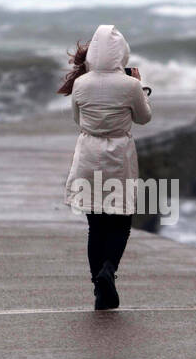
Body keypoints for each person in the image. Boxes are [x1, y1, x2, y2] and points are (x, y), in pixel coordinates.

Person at [59, 24, 152, 310]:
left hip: (88, 155)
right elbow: (144, 118)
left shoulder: (80, 84)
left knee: (95, 225)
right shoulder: (131, 86)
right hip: (118, 157)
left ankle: (98, 284)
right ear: (121, 53)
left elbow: (77, 118)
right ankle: (108, 270)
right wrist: (141, 86)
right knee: (121, 223)